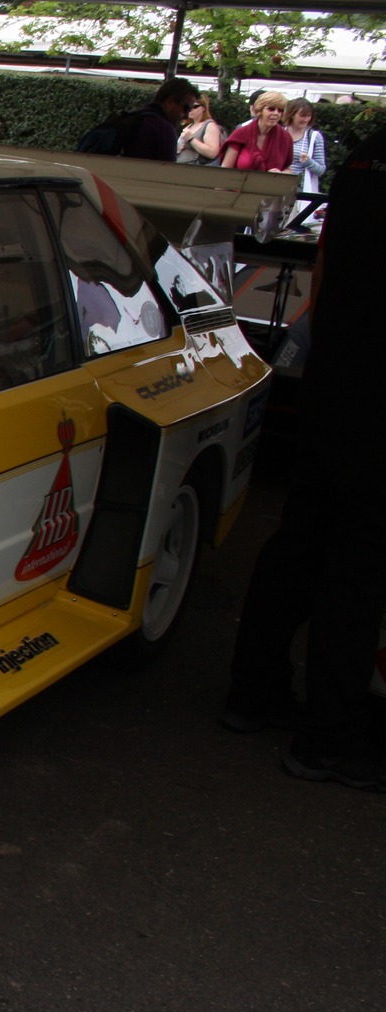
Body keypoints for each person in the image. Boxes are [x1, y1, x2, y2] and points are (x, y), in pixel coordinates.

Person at [223, 126, 386, 791]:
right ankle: (326, 741)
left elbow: (326, 267)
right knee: (357, 567)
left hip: (336, 375)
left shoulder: (367, 155)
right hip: (375, 399)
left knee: (302, 538)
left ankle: (252, 696)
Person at [221, 90, 293, 172]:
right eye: (271, 109)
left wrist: (280, 174)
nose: (276, 113)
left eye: (280, 110)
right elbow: (225, 170)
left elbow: (288, 168)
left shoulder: (285, 137)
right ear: (260, 110)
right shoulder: (241, 133)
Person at [284, 98, 327, 195]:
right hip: (278, 188)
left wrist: (309, 162)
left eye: (309, 116)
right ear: (292, 114)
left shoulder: (314, 137)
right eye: (302, 116)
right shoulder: (279, 133)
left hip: (300, 193)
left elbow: (321, 170)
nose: (306, 119)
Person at [176, 92, 223, 165]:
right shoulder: (190, 125)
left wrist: (191, 139)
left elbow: (212, 153)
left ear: (203, 108)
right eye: (188, 106)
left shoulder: (209, 125)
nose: (190, 109)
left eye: (194, 106)